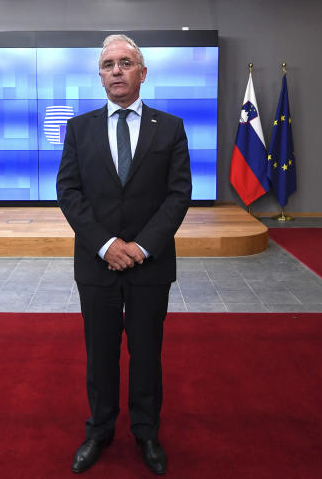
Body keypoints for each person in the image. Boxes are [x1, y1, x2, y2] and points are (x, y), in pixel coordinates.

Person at [56, 34, 192, 475]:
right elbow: (69, 192)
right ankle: (99, 430)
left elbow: (178, 194)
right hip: (96, 265)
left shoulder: (170, 128)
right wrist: (107, 245)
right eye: (109, 64)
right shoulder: (79, 129)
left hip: (150, 265)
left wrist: (140, 247)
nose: (117, 70)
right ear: (99, 75)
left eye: (126, 63)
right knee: (100, 353)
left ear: (142, 73)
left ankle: (147, 432)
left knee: (147, 353)